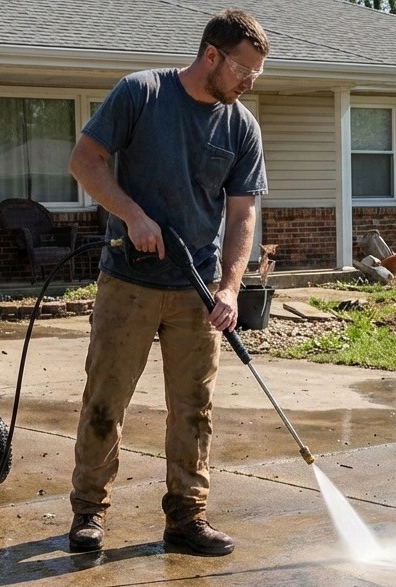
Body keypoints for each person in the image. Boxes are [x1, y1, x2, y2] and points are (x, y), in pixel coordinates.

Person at [65, 8, 269, 555]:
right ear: (211, 56)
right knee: (106, 400)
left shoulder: (240, 125)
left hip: (197, 292)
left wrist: (229, 288)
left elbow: (243, 213)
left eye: (256, 74)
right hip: (128, 283)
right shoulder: (142, 93)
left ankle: (186, 518)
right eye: (244, 70)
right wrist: (132, 215)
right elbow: (85, 162)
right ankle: (89, 512)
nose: (250, 82)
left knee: (194, 409)